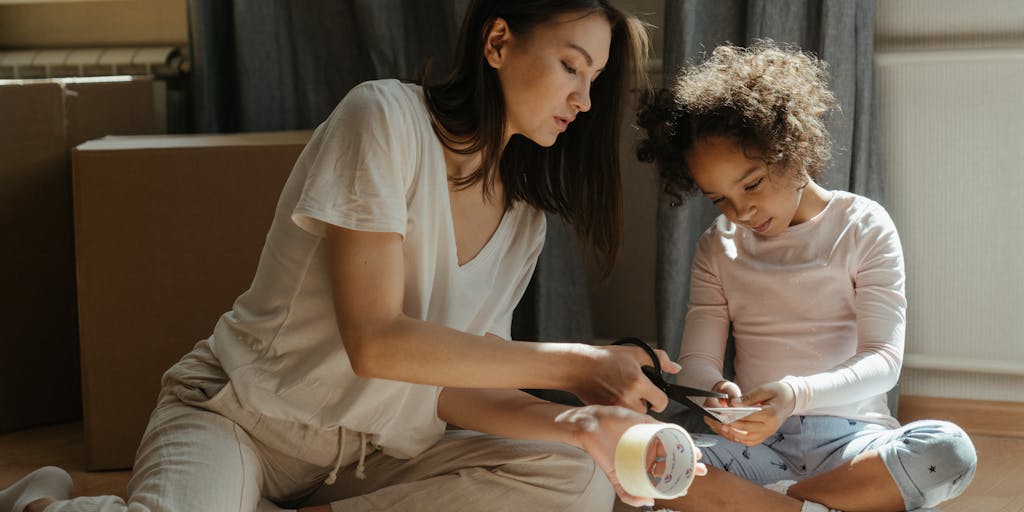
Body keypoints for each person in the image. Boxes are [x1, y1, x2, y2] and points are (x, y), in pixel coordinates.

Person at [0, 2, 706, 512]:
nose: (584, 101)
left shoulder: (524, 219)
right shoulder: (384, 119)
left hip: (375, 455)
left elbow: (449, 388)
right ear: (498, 42)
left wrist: (580, 423)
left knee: (576, 479)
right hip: (242, 420)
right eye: (571, 68)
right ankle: (40, 500)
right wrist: (579, 364)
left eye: (596, 81)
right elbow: (375, 341)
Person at [635, 41, 977, 512]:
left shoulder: (863, 225)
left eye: (751, 184)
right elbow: (697, 361)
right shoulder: (718, 245)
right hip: (756, 448)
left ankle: (763, 505)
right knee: (649, 453)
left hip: (853, 446)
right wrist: (716, 394)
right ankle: (819, 506)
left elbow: (882, 360)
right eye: (719, 199)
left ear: (793, 148)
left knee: (948, 450)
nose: (741, 210)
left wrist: (793, 395)